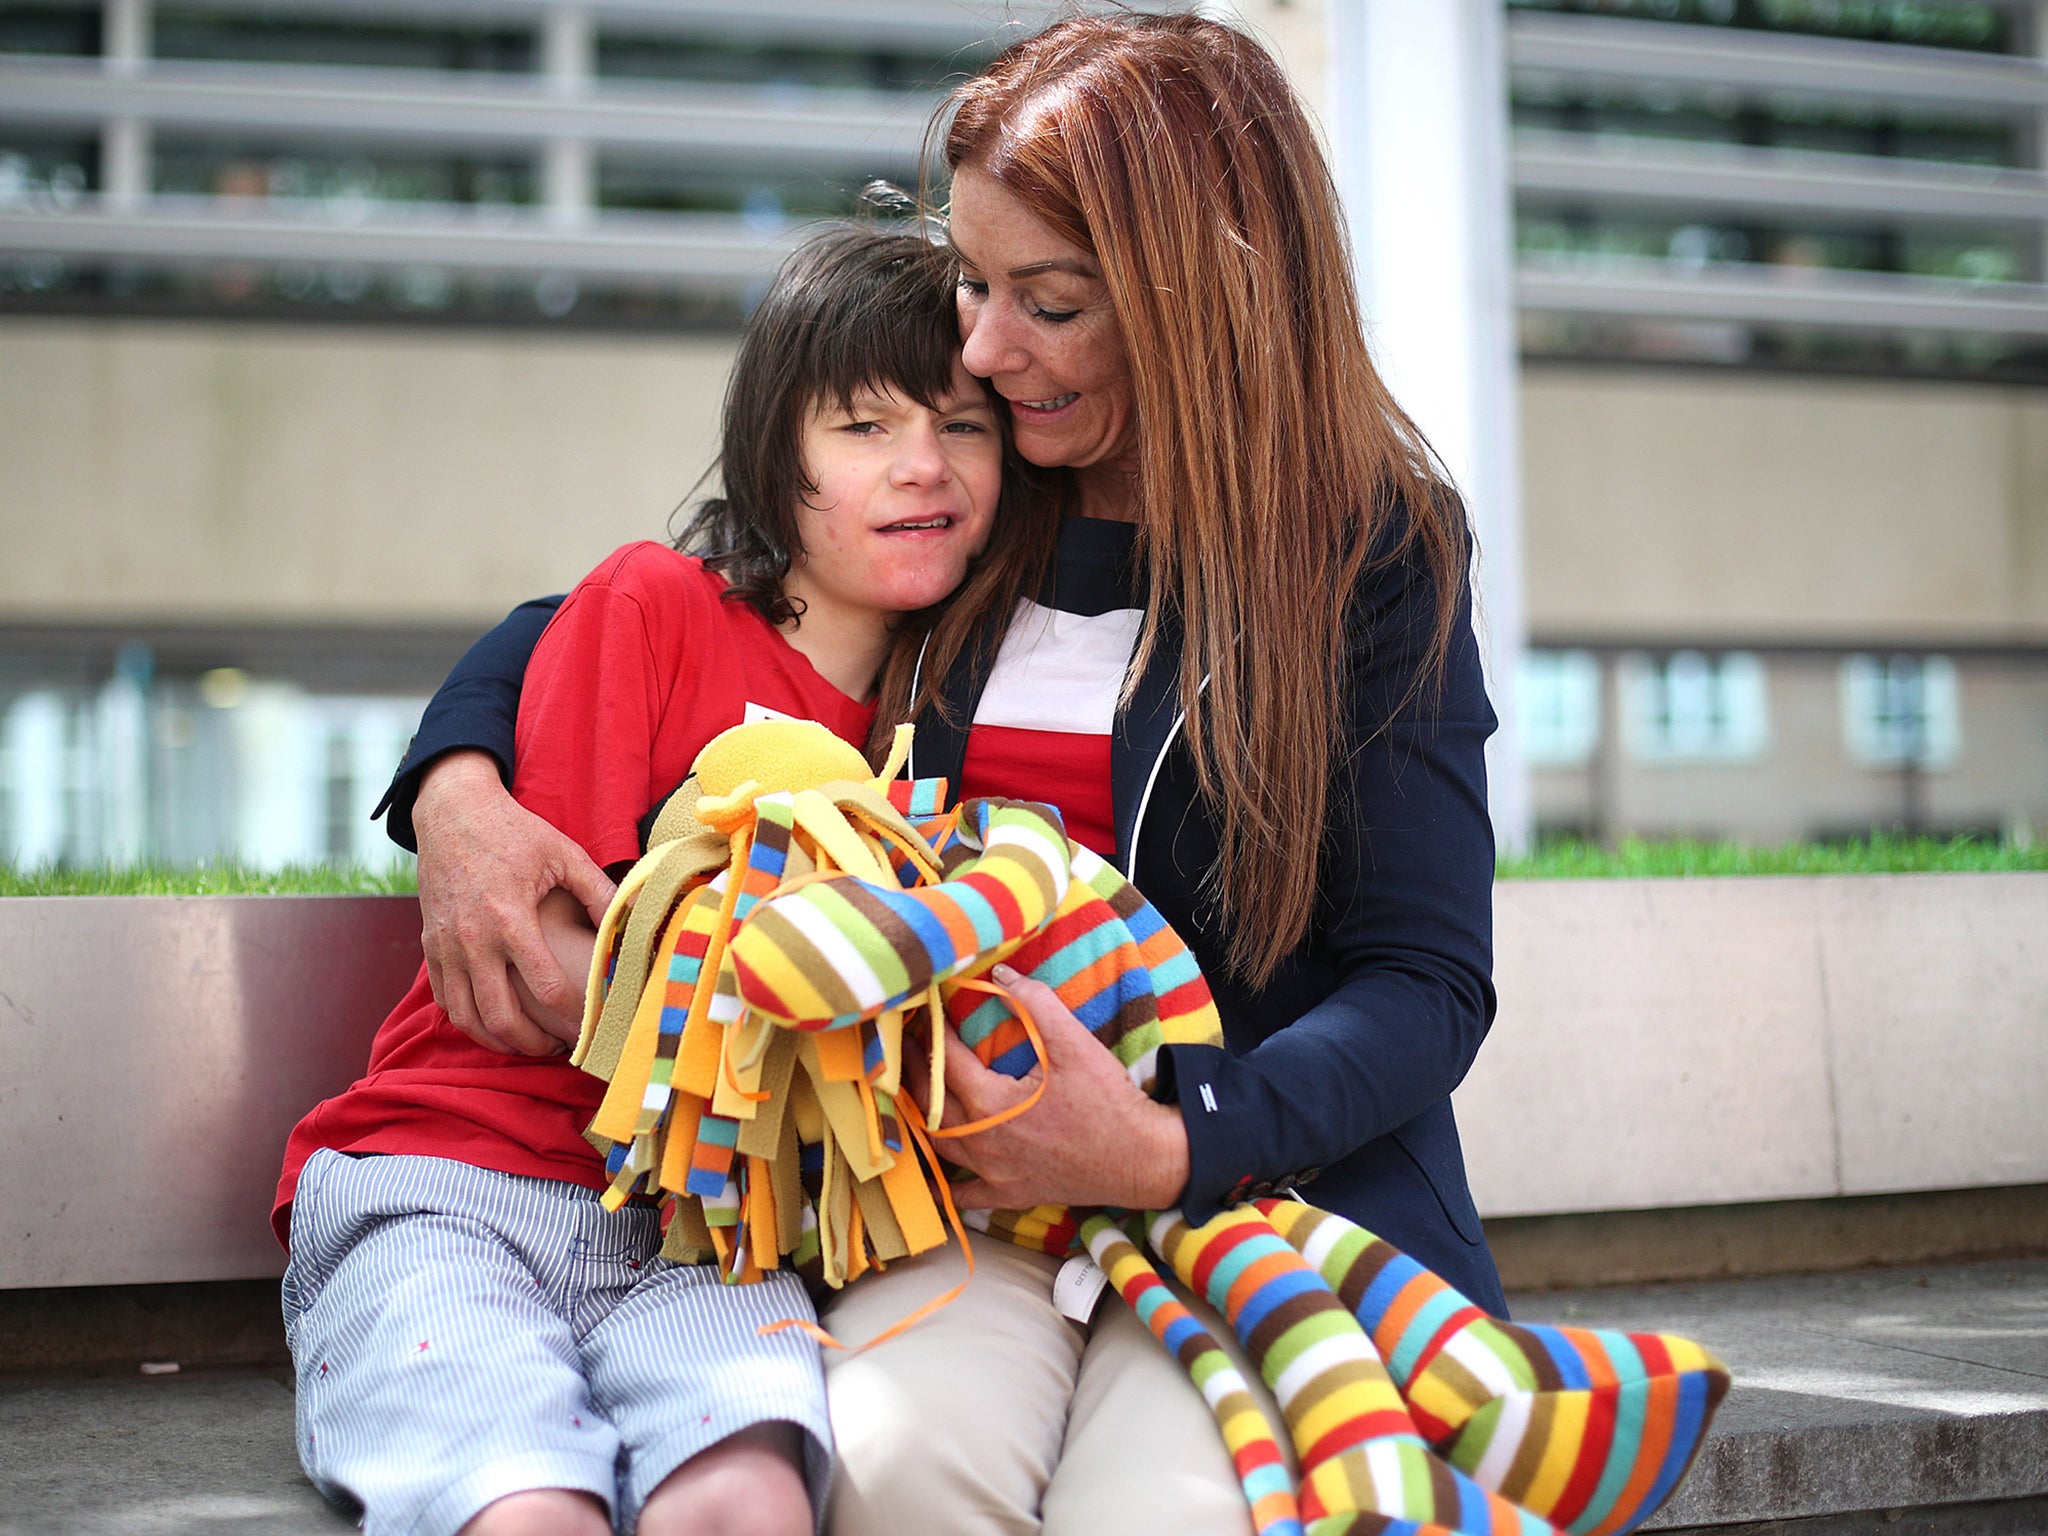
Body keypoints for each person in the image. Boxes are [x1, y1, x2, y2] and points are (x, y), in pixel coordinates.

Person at [380, 13, 1504, 1535]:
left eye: (1045, 302)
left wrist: (1167, 1137)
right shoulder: (984, 498)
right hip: (965, 1202)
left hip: (1257, 1193)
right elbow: (672, 597)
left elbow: (1425, 978)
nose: (978, 349)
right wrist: (457, 784)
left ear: (1202, 299)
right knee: (892, 1469)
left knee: (1156, 1519)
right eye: (975, 283)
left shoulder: (1372, 557)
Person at [273, 223, 1044, 1536]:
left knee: (750, 1501)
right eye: (863, 426)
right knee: (528, 1507)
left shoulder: (940, 734)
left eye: (964, 427)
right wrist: (831, 1043)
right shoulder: (653, 608)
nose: (924, 465)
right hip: (457, 1178)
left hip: (703, 1233)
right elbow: (539, 980)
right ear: (772, 451)